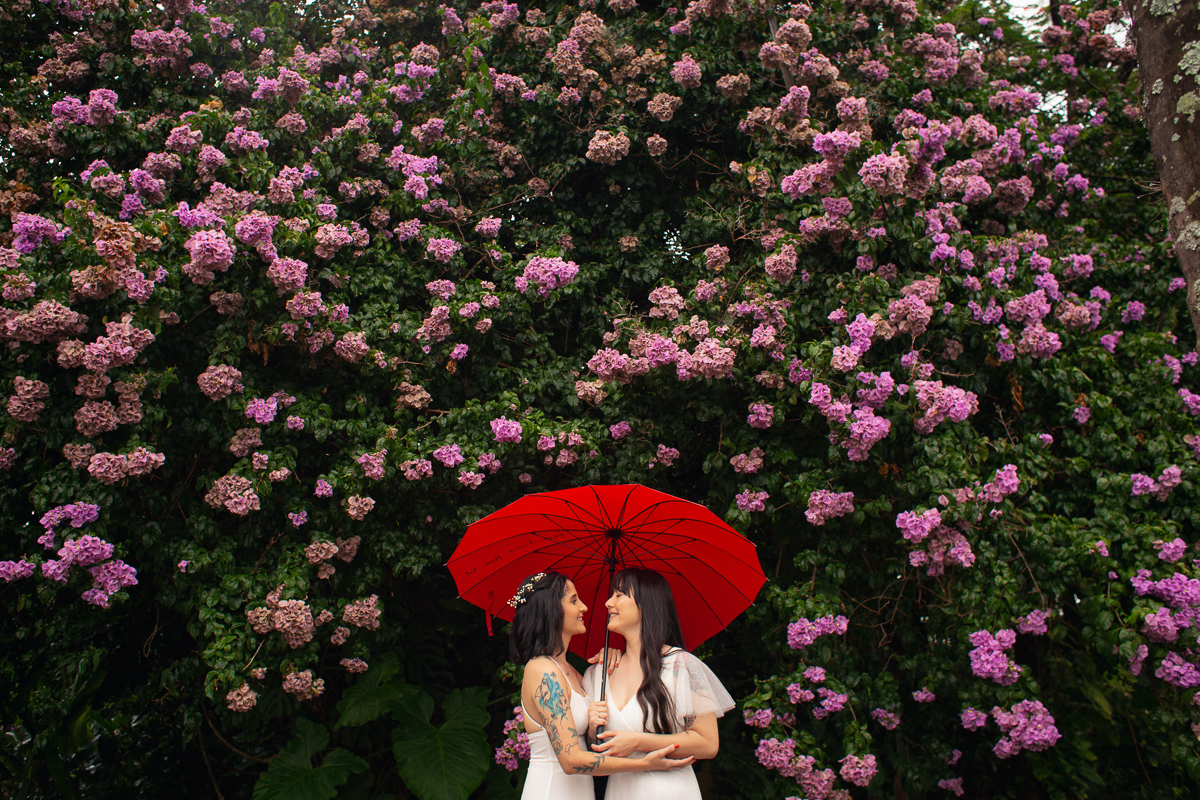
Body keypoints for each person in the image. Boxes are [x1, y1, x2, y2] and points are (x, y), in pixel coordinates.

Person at [510, 571, 696, 800]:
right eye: (573, 600)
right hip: (552, 791)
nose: (584, 607)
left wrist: (615, 659)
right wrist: (643, 763)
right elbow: (570, 760)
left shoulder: (576, 675)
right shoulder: (541, 670)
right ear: (551, 610)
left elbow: (592, 737)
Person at [583, 568, 735, 800]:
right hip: (620, 791)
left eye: (619, 594)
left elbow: (707, 743)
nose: (607, 603)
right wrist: (594, 730)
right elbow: (597, 747)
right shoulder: (599, 674)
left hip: (669, 790)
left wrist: (638, 742)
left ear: (647, 603)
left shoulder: (680, 666)